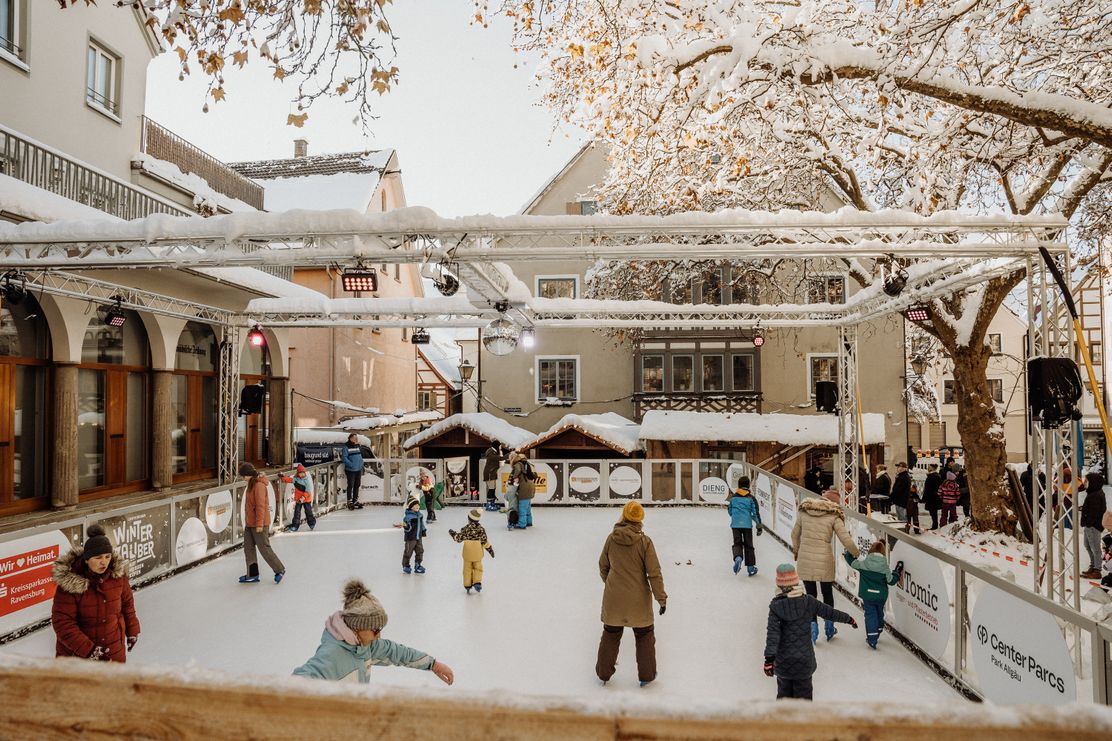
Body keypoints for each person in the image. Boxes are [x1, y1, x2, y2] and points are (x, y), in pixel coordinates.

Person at [293, 579, 454, 685]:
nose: (379, 636)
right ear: (357, 626)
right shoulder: (333, 655)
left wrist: (433, 665)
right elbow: (300, 682)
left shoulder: (364, 645)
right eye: (375, 630)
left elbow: (395, 652)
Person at [595, 501, 667, 687]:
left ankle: (604, 673)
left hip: (614, 599)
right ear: (640, 519)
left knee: (611, 633)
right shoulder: (644, 542)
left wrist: (612, 584)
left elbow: (603, 566)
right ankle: (646, 676)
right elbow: (654, 573)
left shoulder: (612, 538)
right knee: (644, 635)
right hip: (638, 600)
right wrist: (661, 598)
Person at [763, 563, 857, 700]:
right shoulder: (809, 602)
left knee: (784, 704)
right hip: (804, 663)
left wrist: (769, 660)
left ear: (779, 585)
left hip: (784, 664)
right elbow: (829, 613)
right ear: (796, 582)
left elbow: (773, 634)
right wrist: (849, 619)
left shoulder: (776, 607)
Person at [51, 525, 140, 663]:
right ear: (86, 559)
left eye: (107, 556)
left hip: (114, 649)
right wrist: (90, 651)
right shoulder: (70, 585)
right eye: (98, 557)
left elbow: (127, 605)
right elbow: (63, 624)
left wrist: (132, 630)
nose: (104, 561)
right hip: (78, 657)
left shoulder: (118, 577)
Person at [791, 490, 859, 642]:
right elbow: (845, 539)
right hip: (824, 559)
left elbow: (794, 534)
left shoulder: (804, 511)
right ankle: (829, 625)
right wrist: (856, 553)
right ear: (834, 503)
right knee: (827, 593)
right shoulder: (834, 515)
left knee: (810, 595)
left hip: (806, 557)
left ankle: (812, 625)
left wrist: (797, 550)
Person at [843, 543, 903, 649]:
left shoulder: (864, 564)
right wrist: (897, 572)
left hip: (868, 595)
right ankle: (878, 629)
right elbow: (891, 581)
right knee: (879, 613)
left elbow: (852, 562)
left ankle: (872, 639)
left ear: (870, 551)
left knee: (870, 615)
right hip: (880, 597)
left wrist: (848, 553)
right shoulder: (884, 567)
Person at [239, 462, 285, 584]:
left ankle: (279, 569)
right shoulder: (250, 484)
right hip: (250, 524)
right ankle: (253, 574)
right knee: (248, 549)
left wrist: (259, 524)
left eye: (243, 476)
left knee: (264, 548)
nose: (242, 478)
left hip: (259, 524)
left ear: (248, 475)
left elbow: (260, 507)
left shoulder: (259, 485)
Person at [449, 509, 495, 593]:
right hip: (478, 555)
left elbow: (458, 539)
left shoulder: (466, 529)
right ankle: (477, 582)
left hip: (467, 554)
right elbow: (484, 542)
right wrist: (490, 549)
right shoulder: (481, 530)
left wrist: (453, 534)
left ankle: (467, 585)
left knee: (467, 570)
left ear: (469, 519)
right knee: (478, 568)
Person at [727, 476, 762, 576]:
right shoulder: (751, 498)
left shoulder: (733, 498)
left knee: (737, 543)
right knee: (749, 545)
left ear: (739, 485)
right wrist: (759, 526)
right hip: (747, 525)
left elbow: (730, 511)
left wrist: (736, 517)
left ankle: (738, 558)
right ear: (748, 485)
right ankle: (750, 568)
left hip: (735, 525)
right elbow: (755, 513)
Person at [1080, 472, 1107, 579]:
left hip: (1093, 526)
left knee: (1095, 548)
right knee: (1087, 545)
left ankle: (1097, 570)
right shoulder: (1093, 493)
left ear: (1093, 482)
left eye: (1086, 481)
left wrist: (1088, 523)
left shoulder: (1095, 495)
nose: (1084, 483)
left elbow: (1095, 512)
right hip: (1091, 525)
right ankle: (1093, 565)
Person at [393, 496, 427, 574]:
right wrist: (405, 526)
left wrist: (423, 530)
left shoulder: (420, 515)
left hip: (418, 537)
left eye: (418, 505)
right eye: (415, 505)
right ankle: (406, 566)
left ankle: (418, 565)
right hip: (410, 538)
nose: (417, 506)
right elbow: (407, 529)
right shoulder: (408, 517)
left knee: (420, 551)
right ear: (411, 507)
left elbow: (421, 524)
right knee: (408, 552)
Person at [510, 451, 536, 530]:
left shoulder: (518, 464)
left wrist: (513, 477)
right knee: (527, 507)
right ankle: (529, 522)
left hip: (524, 488)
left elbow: (516, 472)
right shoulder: (527, 464)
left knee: (522, 508)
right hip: (531, 486)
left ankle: (522, 524)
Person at [289, 463, 316, 532]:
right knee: (297, 512)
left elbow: (308, 491)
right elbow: (289, 480)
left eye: (303, 473)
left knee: (308, 511)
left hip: (306, 499)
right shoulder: (296, 479)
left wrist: (303, 498)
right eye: (300, 473)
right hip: (298, 499)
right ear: (298, 473)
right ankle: (295, 525)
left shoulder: (307, 481)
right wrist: (282, 477)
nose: (302, 474)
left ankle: (311, 523)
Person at [340, 433, 364, 510]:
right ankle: (349, 501)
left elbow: (360, 456)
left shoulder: (357, 446)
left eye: (357, 438)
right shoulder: (346, 447)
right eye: (355, 438)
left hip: (358, 469)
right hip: (350, 470)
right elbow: (344, 458)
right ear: (350, 439)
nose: (356, 439)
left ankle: (355, 500)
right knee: (350, 485)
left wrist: (361, 464)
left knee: (357, 485)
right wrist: (351, 464)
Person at [922, 464, 942, 530]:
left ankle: (935, 525)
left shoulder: (932, 476)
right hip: (934, 497)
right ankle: (935, 524)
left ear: (933, 468)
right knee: (933, 512)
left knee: (933, 512)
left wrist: (924, 498)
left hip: (932, 497)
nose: (928, 468)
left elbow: (927, 489)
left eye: (929, 467)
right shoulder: (935, 476)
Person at [483, 443, 502, 509]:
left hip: (492, 473)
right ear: (496, 446)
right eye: (499, 446)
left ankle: (492, 503)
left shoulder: (494, 452)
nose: (500, 447)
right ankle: (489, 504)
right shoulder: (491, 453)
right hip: (489, 474)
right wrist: (509, 455)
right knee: (491, 489)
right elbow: (499, 458)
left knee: (493, 489)